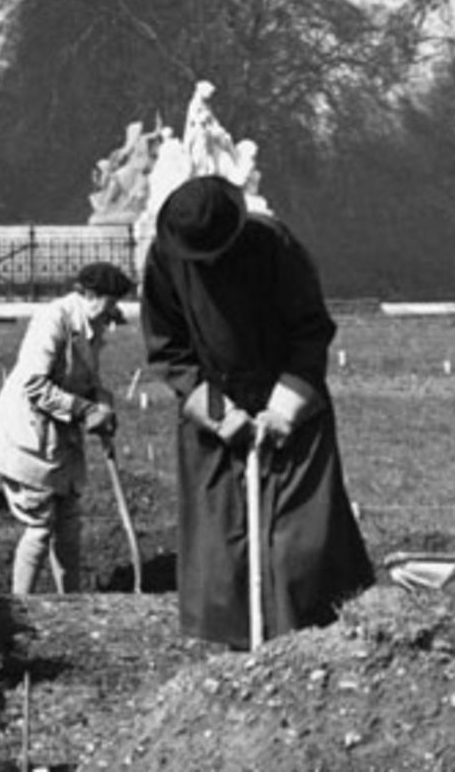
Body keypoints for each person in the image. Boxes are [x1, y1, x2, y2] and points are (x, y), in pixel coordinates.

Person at [140, 175, 371, 649]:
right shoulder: (166, 259)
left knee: (298, 547)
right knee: (222, 551)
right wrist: (220, 414)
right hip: (215, 411)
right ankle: (238, 651)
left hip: (290, 410)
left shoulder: (275, 245)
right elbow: (169, 350)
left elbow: (311, 331)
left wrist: (281, 411)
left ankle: (303, 647)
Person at [0, 262, 134, 594]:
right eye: (111, 302)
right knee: (40, 524)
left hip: (59, 437)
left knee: (68, 523)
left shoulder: (93, 324)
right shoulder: (54, 319)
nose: (115, 311)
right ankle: (20, 604)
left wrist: (102, 402)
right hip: (28, 436)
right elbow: (35, 385)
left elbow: (84, 378)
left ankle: (73, 602)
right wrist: (83, 410)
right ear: (91, 295)